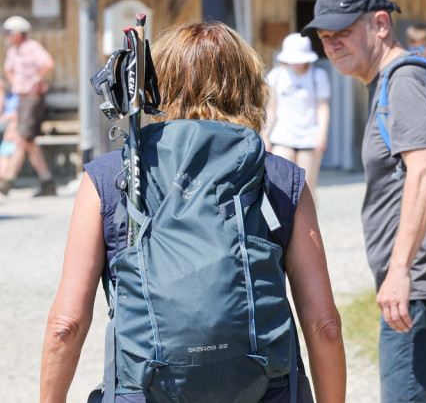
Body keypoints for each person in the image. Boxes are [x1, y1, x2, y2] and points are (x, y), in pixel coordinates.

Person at [40, 21, 346, 402]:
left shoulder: (111, 177)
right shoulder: (282, 179)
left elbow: (65, 325)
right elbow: (324, 325)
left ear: (157, 84)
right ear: (250, 86)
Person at [301, 0, 426, 402]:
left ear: (381, 24)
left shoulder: (404, 82)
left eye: (343, 32)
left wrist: (399, 271)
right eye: (325, 37)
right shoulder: (386, 84)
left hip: (425, 285)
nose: (332, 45)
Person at [263, 32, 331, 195]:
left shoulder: (318, 76)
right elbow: (272, 108)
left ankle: (309, 221)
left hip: (309, 136)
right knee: (280, 186)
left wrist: (322, 135)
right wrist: (264, 135)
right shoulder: (277, 76)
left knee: (306, 189)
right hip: (283, 136)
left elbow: (323, 107)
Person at [0, 15, 55, 197]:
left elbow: (48, 63)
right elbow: (8, 69)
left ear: (18, 33)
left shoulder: (32, 47)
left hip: (33, 97)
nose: (6, 35)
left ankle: (8, 180)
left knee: (22, 138)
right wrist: (15, 82)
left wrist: (36, 79)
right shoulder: (13, 52)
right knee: (28, 141)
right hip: (22, 98)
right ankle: (48, 182)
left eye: (8, 32)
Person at [0, 84, 18, 184]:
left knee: (7, 144)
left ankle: (3, 177)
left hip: (9, 128)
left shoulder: (14, 97)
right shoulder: (4, 98)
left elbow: (17, 114)